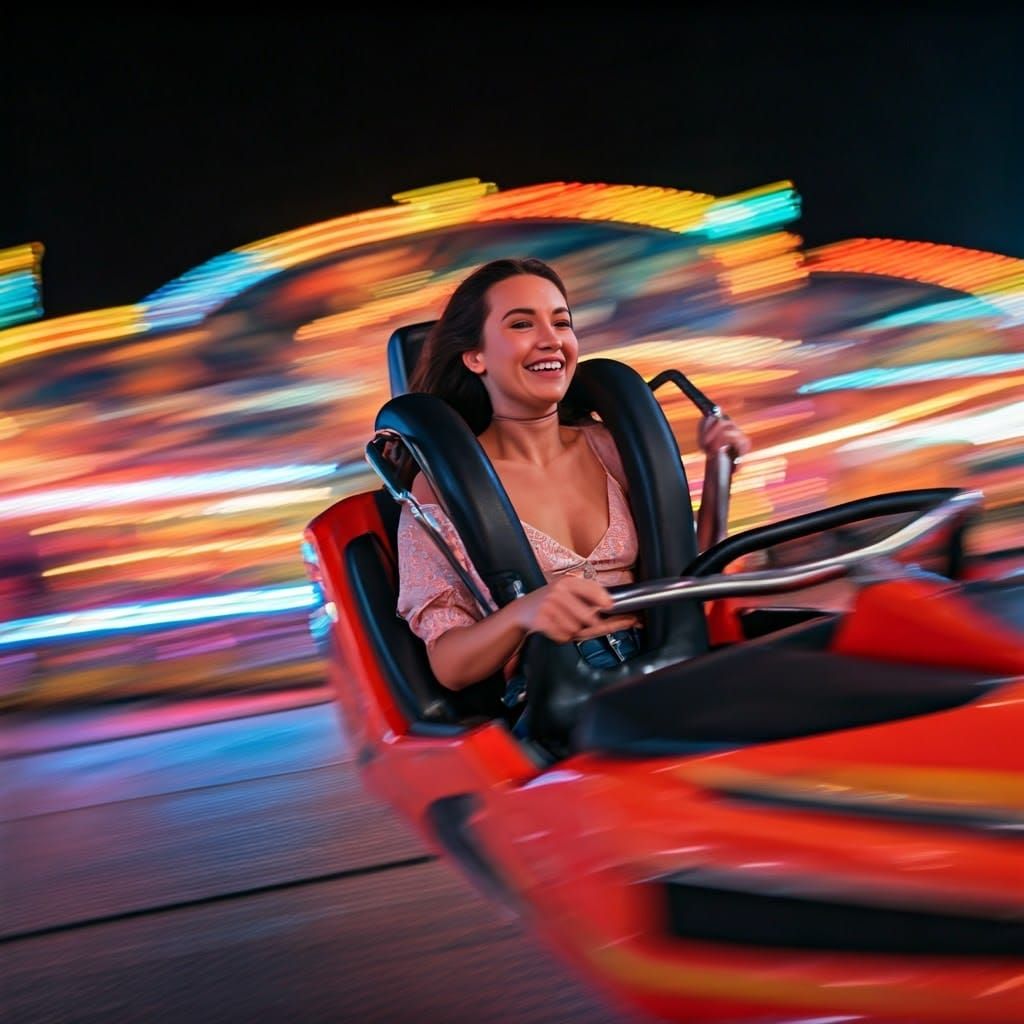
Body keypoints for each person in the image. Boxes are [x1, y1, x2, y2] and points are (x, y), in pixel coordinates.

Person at [394, 257, 751, 713]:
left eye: (561, 323)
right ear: (475, 356)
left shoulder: (610, 447)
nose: (552, 340)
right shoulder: (444, 488)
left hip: (666, 663)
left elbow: (688, 581)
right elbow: (450, 664)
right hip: (557, 698)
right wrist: (523, 613)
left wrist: (720, 469)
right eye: (522, 324)